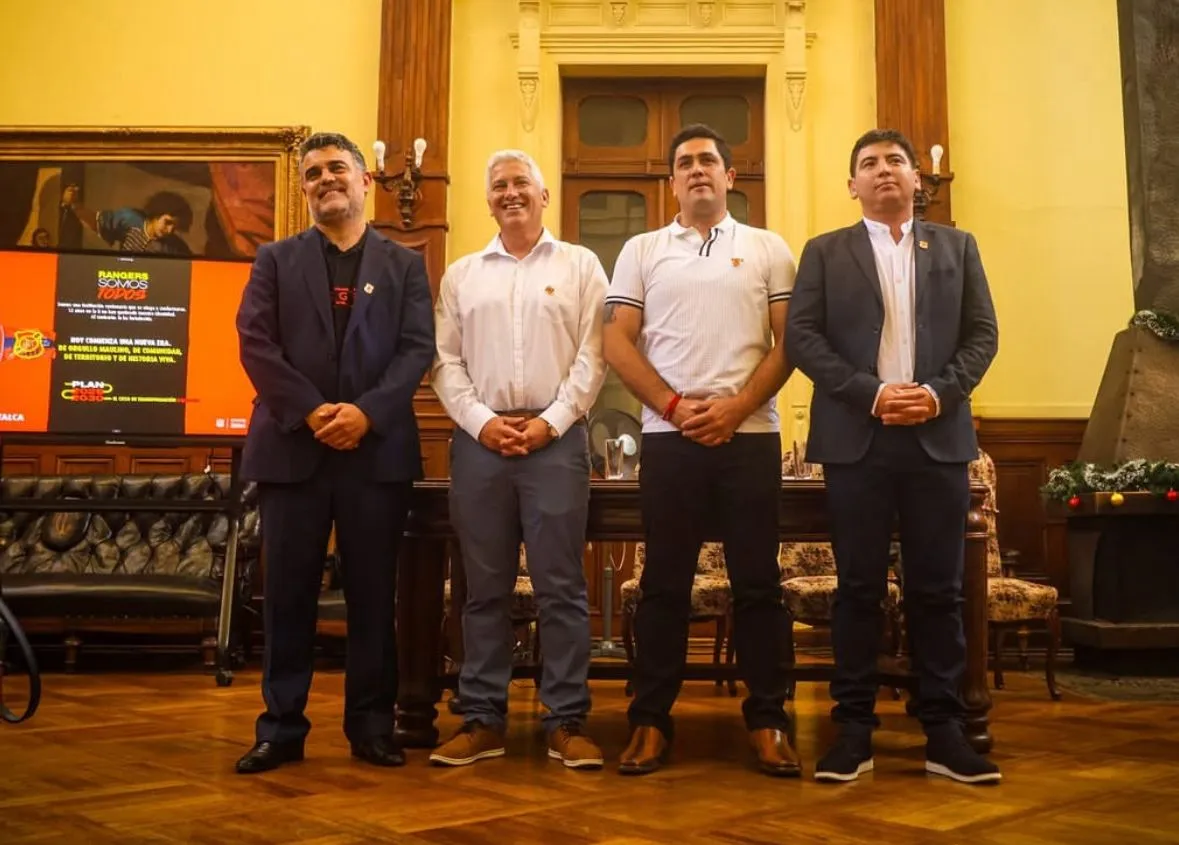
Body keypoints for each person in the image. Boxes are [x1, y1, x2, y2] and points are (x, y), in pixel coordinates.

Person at [785, 128, 1001, 785]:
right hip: (857, 439)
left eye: (894, 162)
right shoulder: (824, 252)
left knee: (936, 589)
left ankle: (942, 730)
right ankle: (852, 729)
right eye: (868, 164)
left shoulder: (956, 248)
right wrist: (872, 394)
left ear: (917, 180)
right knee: (855, 590)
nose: (883, 171)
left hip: (936, 440)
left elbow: (982, 334)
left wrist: (934, 396)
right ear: (851, 184)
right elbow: (802, 337)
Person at [233, 131, 435, 774]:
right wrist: (316, 411)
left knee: (375, 597)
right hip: (293, 449)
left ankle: (372, 726)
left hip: (375, 456)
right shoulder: (274, 259)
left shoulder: (405, 264)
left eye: (337, 169)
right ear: (304, 189)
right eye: (313, 172)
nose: (326, 179)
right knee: (287, 596)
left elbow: (416, 349)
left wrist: (366, 413)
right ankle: (281, 728)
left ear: (365, 181)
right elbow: (255, 344)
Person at [602, 123, 800, 777]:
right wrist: (673, 406)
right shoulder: (642, 248)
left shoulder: (768, 247)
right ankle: (649, 722)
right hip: (669, 437)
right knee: (662, 584)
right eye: (683, 163)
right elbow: (616, 342)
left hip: (749, 436)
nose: (696, 171)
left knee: (758, 584)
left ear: (729, 176)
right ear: (671, 181)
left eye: (707, 161)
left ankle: (769, 720)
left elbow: (787, 342)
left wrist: (735, 407)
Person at [429, 149, 608, 770]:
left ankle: (566, 721)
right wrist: (482, 423)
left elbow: (595, 357)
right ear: (489, 200)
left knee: (562, 588)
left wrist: (548, 423)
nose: (511, 193)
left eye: (521, 184)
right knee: (483, 592)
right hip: (479, 444)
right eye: (500, 185)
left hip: (555, 442)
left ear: (543, 196)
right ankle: (482, 720)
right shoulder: (462, 275)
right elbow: (444, 363)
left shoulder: (582, 266)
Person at [61, 185, 193, 254]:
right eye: (168, 222)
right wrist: (75, 205)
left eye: (174, 227)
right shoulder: (130, 218)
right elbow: (97, 223)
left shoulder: (175, 247)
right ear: (157, 214)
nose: (170, 230)